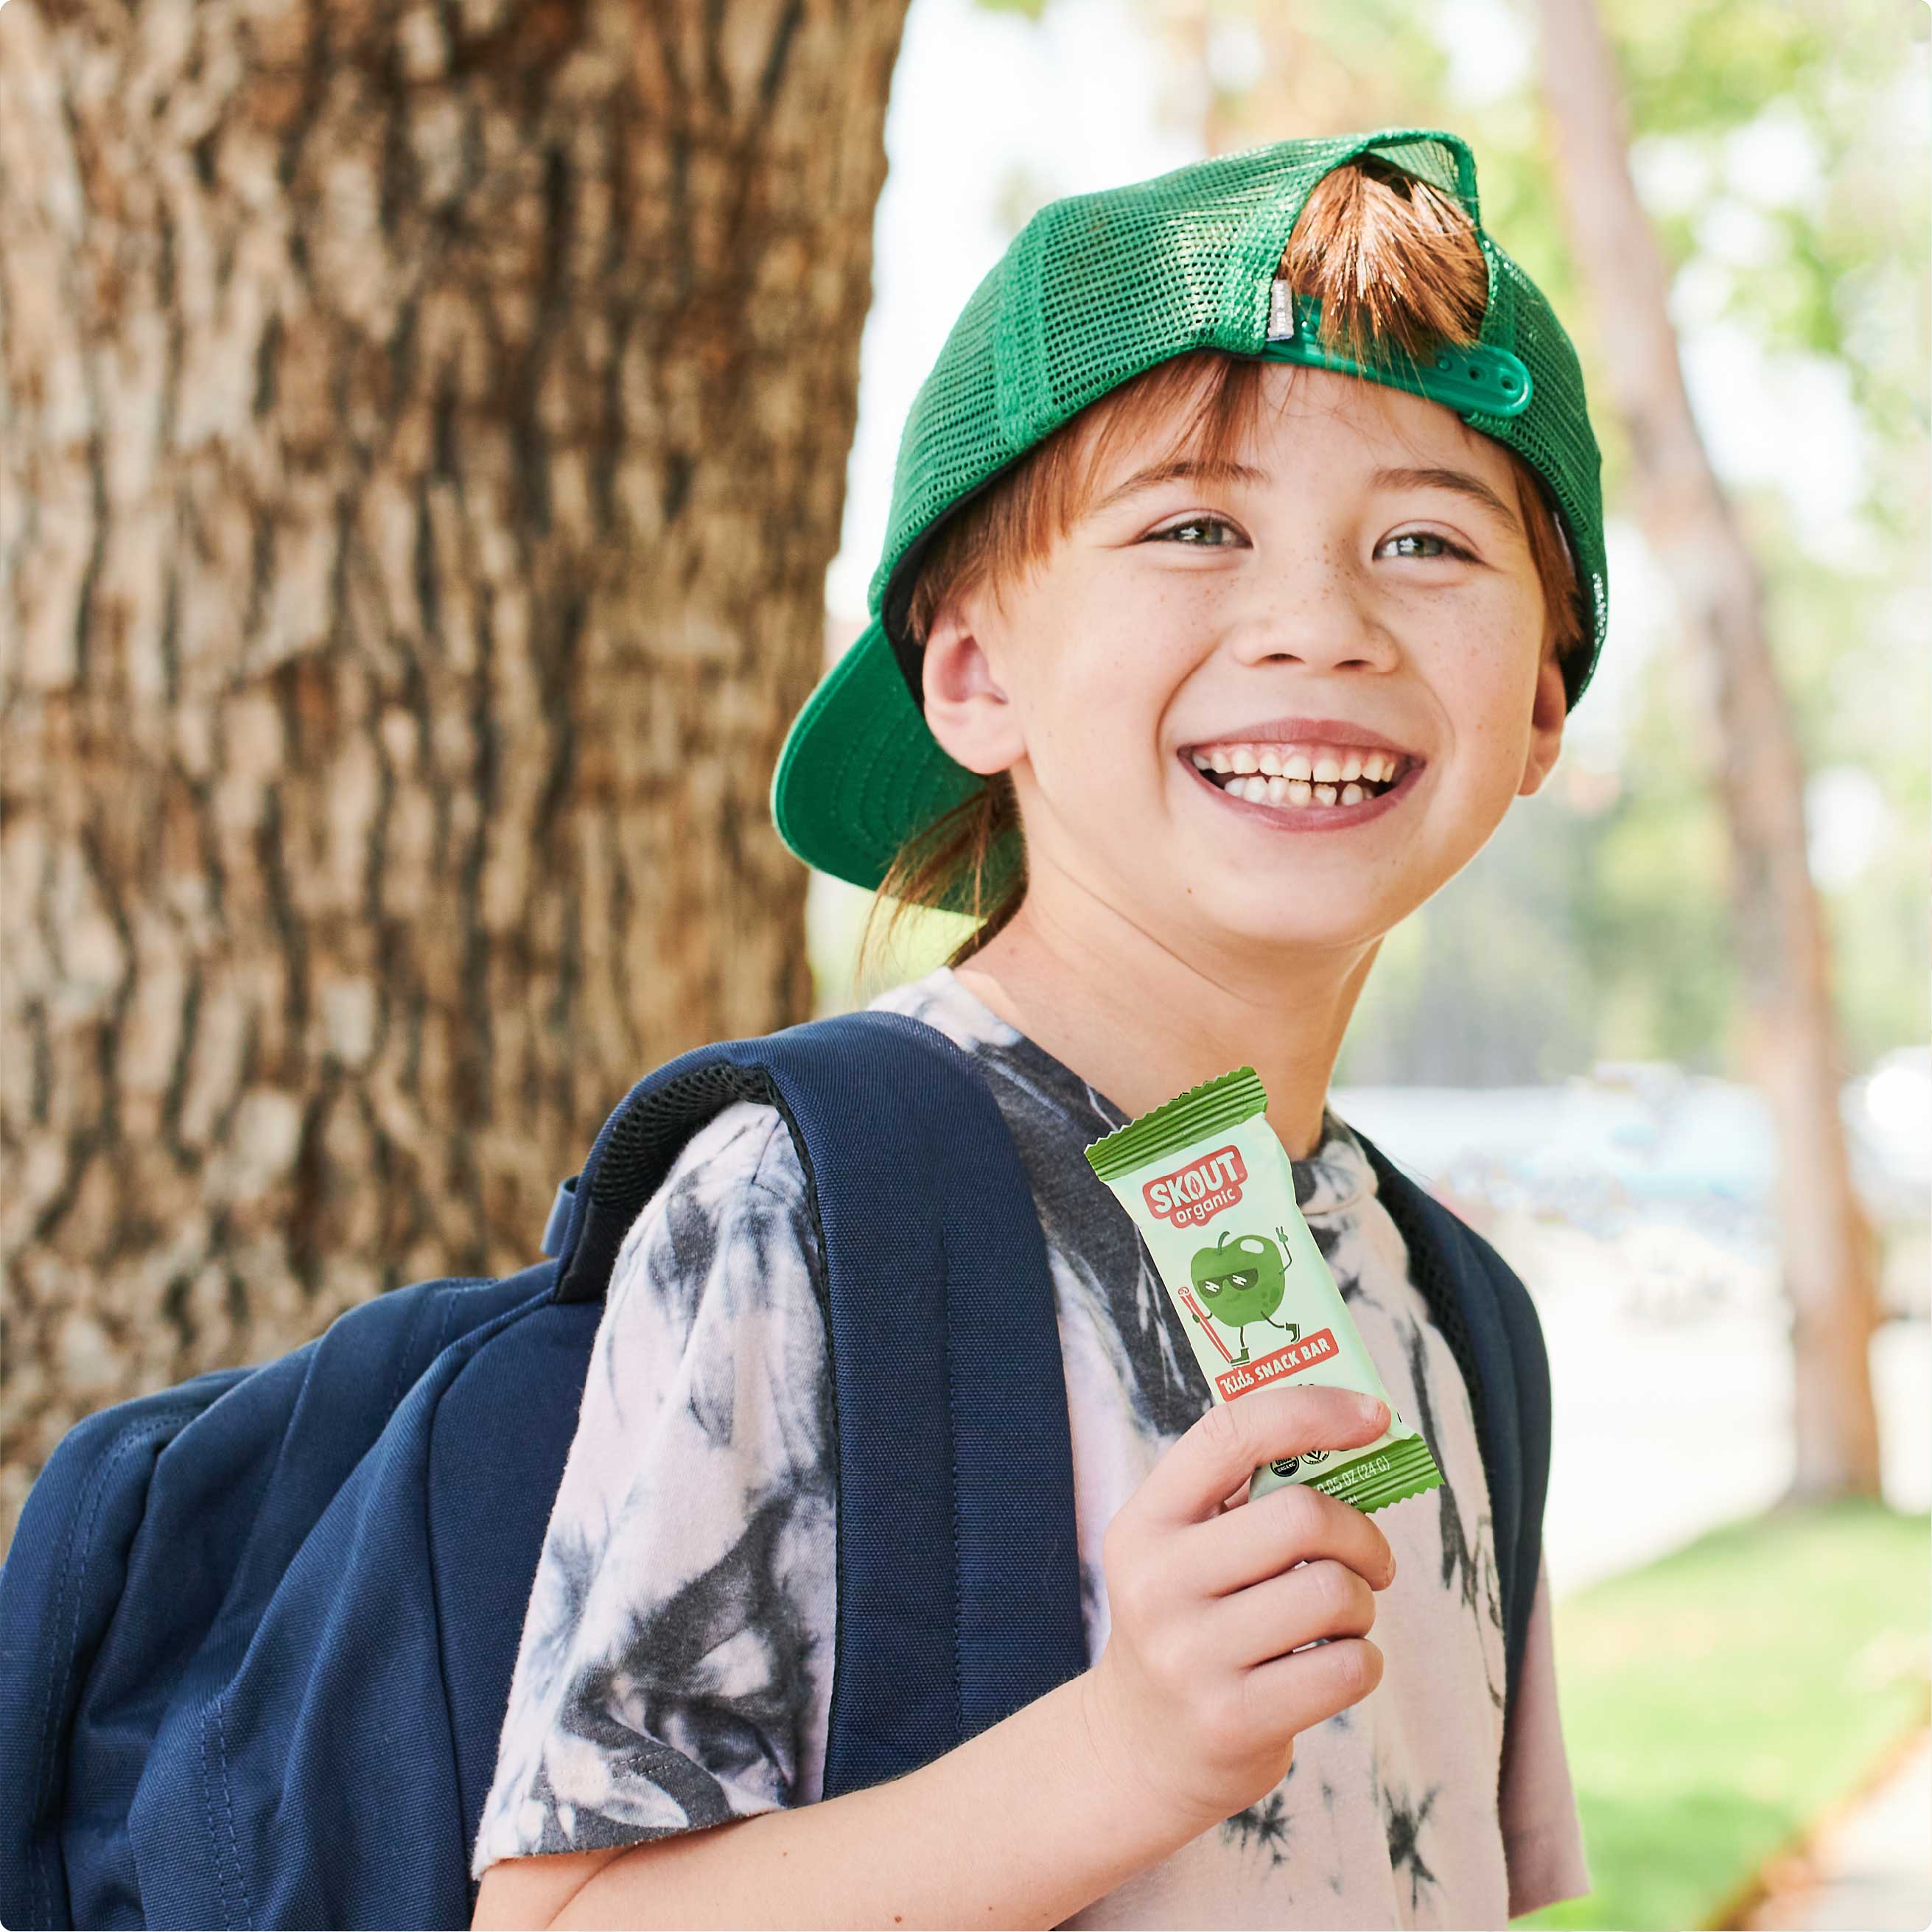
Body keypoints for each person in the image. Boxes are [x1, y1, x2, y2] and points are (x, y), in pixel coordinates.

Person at [471, 128, 1601, 1930]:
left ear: (1540, 704)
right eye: (1195, 526)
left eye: (1426, 540)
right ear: (973, 672)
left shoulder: (1456, 1305)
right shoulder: (814, 1202)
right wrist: (1129, 1756)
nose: (1320, 623)